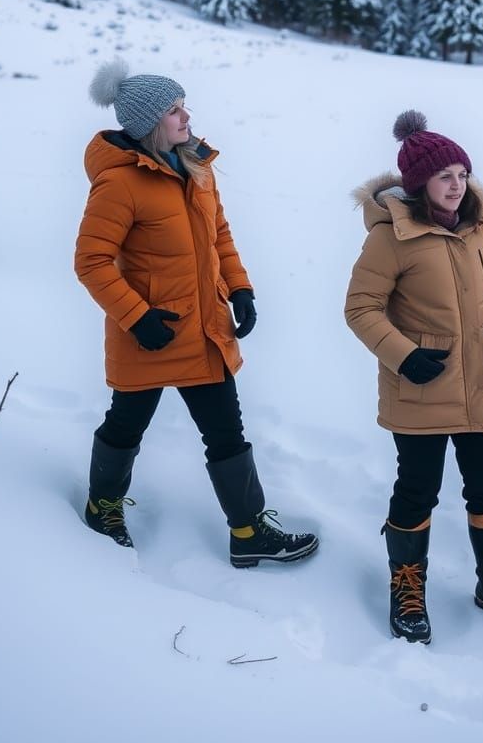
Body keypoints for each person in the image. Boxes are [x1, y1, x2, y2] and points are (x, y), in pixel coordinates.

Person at [74, 58, 318, 568]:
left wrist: (241, 288)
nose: (186, 117)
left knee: (227, 431)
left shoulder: (197, 168)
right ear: (147, 125)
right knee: (126, 426)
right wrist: (137, 317)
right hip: (149, 334)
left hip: (204, 328)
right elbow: (91, 261)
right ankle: (104, 507)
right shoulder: (119, 184)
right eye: (173, 110)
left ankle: (248, 530)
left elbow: (218, 236)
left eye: (184, 105)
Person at [344, 110, 483, 643]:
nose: (457, 185)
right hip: (421, 386)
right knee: (417, 491)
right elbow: (361, 308)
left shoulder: (480, 227)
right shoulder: (390, 238)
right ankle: (407, 586)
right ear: (419, 185)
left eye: (461, 173)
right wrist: (403, 355)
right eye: (444, 176)